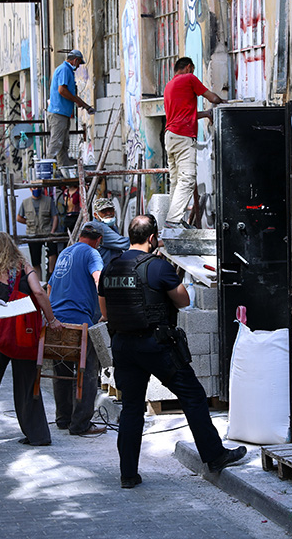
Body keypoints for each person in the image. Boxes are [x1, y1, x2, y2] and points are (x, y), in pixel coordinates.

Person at [98, 214, 246, 488]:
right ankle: (213, 456)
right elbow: (184, 300)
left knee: (131, 408)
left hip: (123, 346)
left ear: (130, 236)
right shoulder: (157, 267)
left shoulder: (111, 268)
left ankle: (128, 474)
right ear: (153, 239)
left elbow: (105, 312)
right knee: (193, 396)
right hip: (156, 345)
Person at [0, 231, 62, 445]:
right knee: (27, 383)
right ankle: (37, 434)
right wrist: (52, 319)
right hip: (24, 334)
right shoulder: (24, 267)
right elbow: (39, 293)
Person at [47, 222, 106, 436]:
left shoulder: (65, 253)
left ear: (80, 235)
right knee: (87, 370)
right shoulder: (92, 254)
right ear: (98, 240)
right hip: (79, 321)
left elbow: (50, 286)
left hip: (56, 322)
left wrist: (52, 315)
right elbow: (99, 280)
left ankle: (63, 418)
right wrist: (104, 313)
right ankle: (80, 423)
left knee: (61, 369)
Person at [163, 57, 225, 229]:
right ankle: (173, 220)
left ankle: (174, 220)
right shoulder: (189, 78)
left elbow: (184, 114)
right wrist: (223, 102)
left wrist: (205, 114)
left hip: (170, 135)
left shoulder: (169, 86)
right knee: (188, 179)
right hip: (183, 136)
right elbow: (212, 97)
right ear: (189, 67)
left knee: (175, 180)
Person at [47, 49, 96, 167]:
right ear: (75, 60)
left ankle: (62, 171)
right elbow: (62, 90)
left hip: (63, 113)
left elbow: (69, 93)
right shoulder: (65, 70)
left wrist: (82, 104)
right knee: (56, 144)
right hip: (58, 113)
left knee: (63, 145)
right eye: (79, 63)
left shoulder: (66, 70)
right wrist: (79, 102)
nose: (78, 66)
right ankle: (47, 171)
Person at [17, 189, 59, 280]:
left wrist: (52, 231)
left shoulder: (48, 200)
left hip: (46, 232)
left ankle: (50, 275)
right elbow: (19, 218)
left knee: (53, 252)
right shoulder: (25, 202)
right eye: (34, 188)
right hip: (32, 233)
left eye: (38, 187)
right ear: (30, 189)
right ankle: (39, 281)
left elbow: (55, 216)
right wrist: (28, 222)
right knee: (36, 260)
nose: (36, 190)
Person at [92, 197, 128, 267]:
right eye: (104, 211)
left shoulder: (112, 227)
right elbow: (123, 243)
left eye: (110, 210)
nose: (108, 213)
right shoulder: (98, 228)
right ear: (96, 215)